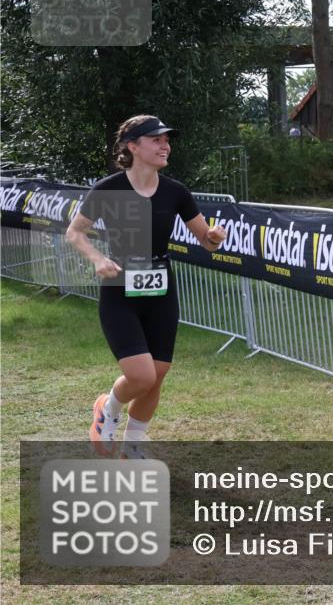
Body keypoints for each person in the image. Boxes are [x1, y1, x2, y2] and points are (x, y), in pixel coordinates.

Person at [65, 115, 227, 457]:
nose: (165, 145)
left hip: (161, 289)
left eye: (167, 139)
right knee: (141, 376)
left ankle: (134, 443)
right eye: (156, 139)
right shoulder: (108, 189)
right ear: (133, 146)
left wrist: (213, 239)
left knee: (159, 372)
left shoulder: (175, 191)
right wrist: (96, 258)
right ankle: (107, 409)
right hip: (120, 291)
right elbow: (75, 232)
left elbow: (206, 239)